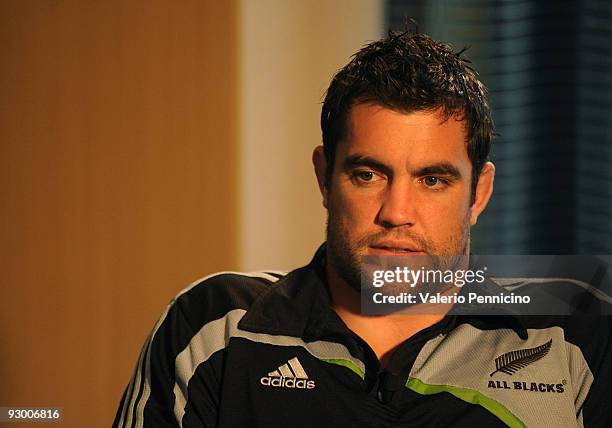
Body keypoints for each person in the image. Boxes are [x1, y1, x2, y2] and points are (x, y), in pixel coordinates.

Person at [113, 31, 611, 427]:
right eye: (368, 175)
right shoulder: (213, 328)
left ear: (479, 193)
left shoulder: (578, 332)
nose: (396, 211)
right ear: (325, 178)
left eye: (433, 180)